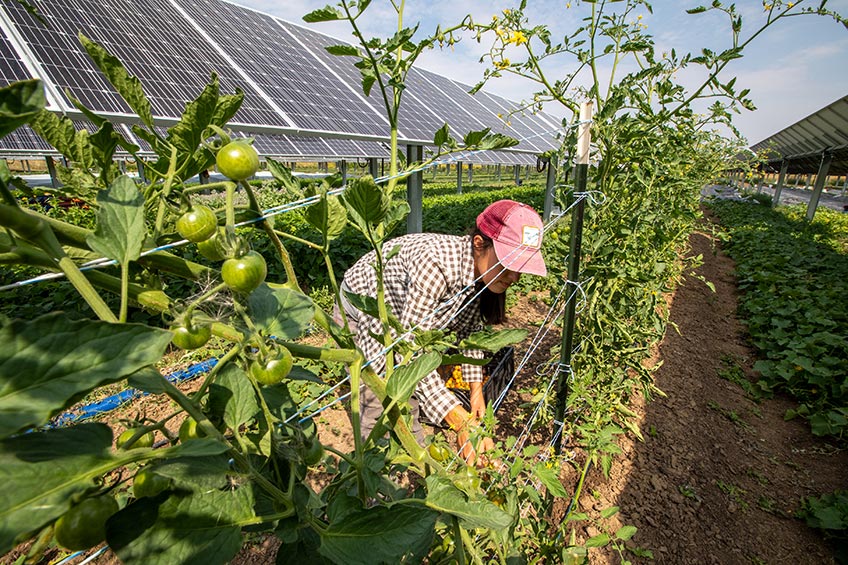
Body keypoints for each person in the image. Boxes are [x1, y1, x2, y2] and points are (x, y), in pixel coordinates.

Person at [336, 199, 548, 462]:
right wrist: (459, 420)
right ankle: (376, 480)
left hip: (403, 314)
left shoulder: (480, 272)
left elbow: (468, 330)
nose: (514, 277)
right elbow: (411, 354)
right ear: (479, 244)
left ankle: (411, 466)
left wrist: (475, 391)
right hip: (366, 304)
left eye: (520, 268)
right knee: (378, 400)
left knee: (408, 399)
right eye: (507, 264)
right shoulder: (435, 265)